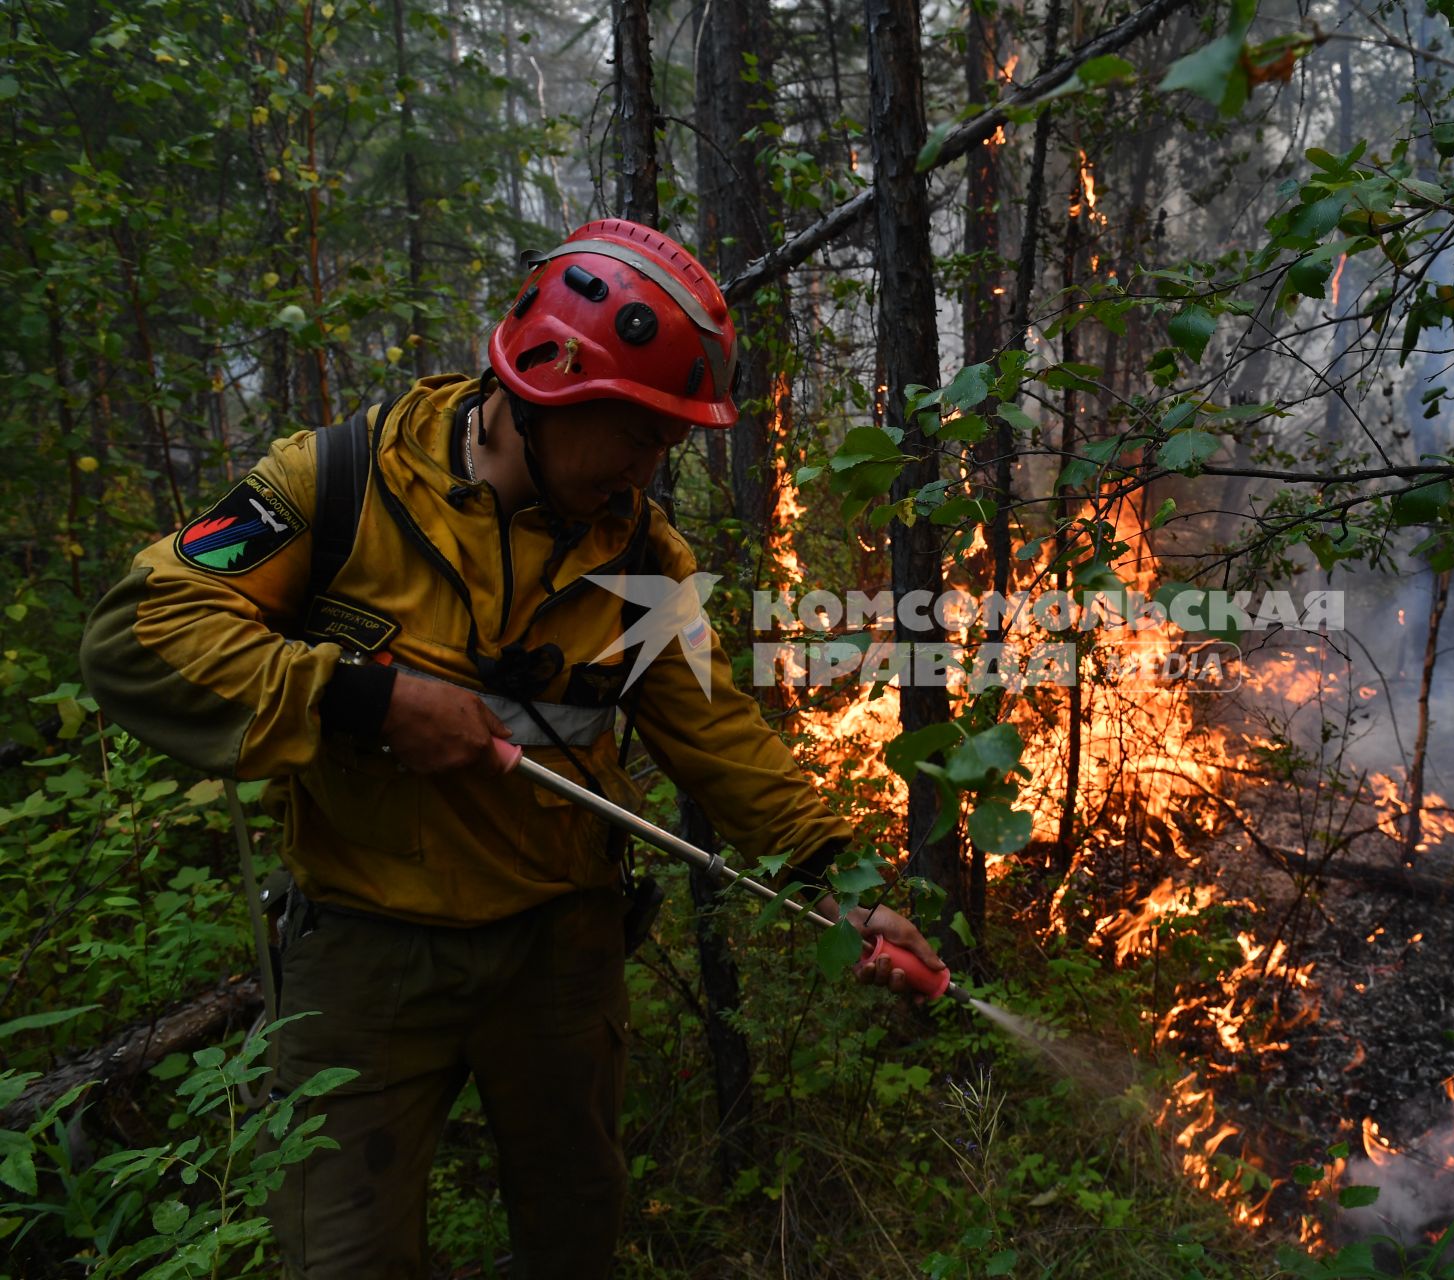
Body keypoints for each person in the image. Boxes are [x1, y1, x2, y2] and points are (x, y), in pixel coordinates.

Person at [78, 218, 943, 1279]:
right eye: (636, 429)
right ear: (546, 387)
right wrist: (366, 698)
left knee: (575, 1235)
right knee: (340, 1255)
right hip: (362, 954)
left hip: (560, 958)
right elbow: (137, 634)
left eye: (670, 439)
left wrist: (839, 877)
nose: (651, 462)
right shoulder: (336, 485)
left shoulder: (642, 558)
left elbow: (721, 736)